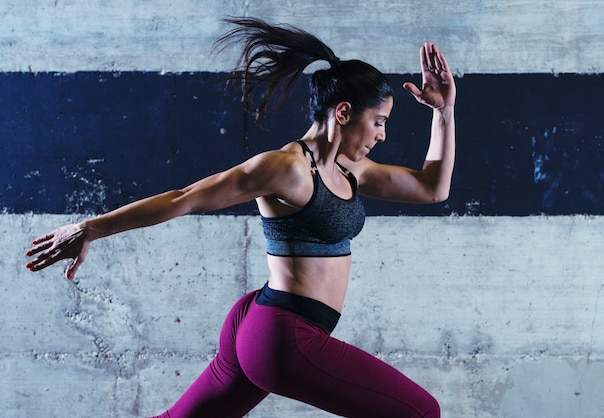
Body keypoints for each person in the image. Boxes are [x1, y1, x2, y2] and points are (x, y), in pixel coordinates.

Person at [26, 17, 455, 418]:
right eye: (378, 122)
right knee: (421, 412)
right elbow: (185, 198)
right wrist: (91, 227)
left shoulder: (349, 168)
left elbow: (432, 188)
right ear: (343, 113)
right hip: (283, 334)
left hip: (262, 321)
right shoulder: (286, 168)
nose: (382, 134)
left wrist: (443, 112)